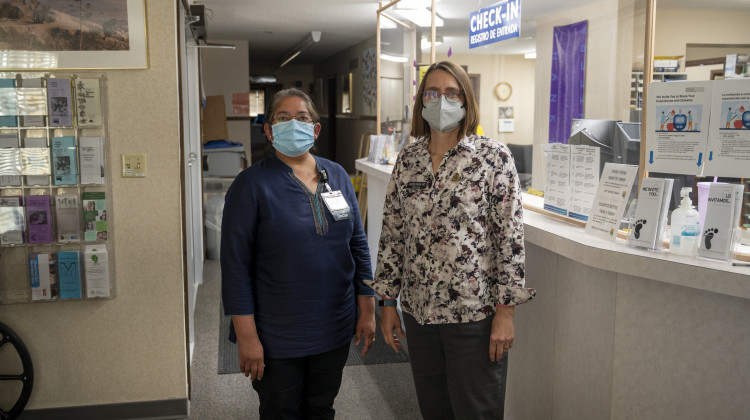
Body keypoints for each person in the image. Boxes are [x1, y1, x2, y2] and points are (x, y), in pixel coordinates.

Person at [368, 61, 536, 420]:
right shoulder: (409, 159)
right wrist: (387, 304)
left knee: (477, 411)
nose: (441, 100)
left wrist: (505, 313)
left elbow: (510, 240)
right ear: (421, 101)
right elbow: (393, 236)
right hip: (419, 315)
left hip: (473, 318)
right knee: (434, 410)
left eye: (451, 93)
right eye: (432, 92)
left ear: (466, 100)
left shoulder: (493, 158)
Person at [221, 88, 376, 419]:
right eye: (283, 118)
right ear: (269, 129)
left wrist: (367, 309)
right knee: (282, 411)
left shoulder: (337, 176)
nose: (294, 124)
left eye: (303, 118)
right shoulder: (250, 186)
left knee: (321, 407)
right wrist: (247, 337)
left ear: (316, 129)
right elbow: (235, 267)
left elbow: (358, 244)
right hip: (278, 332)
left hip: (334, 325)